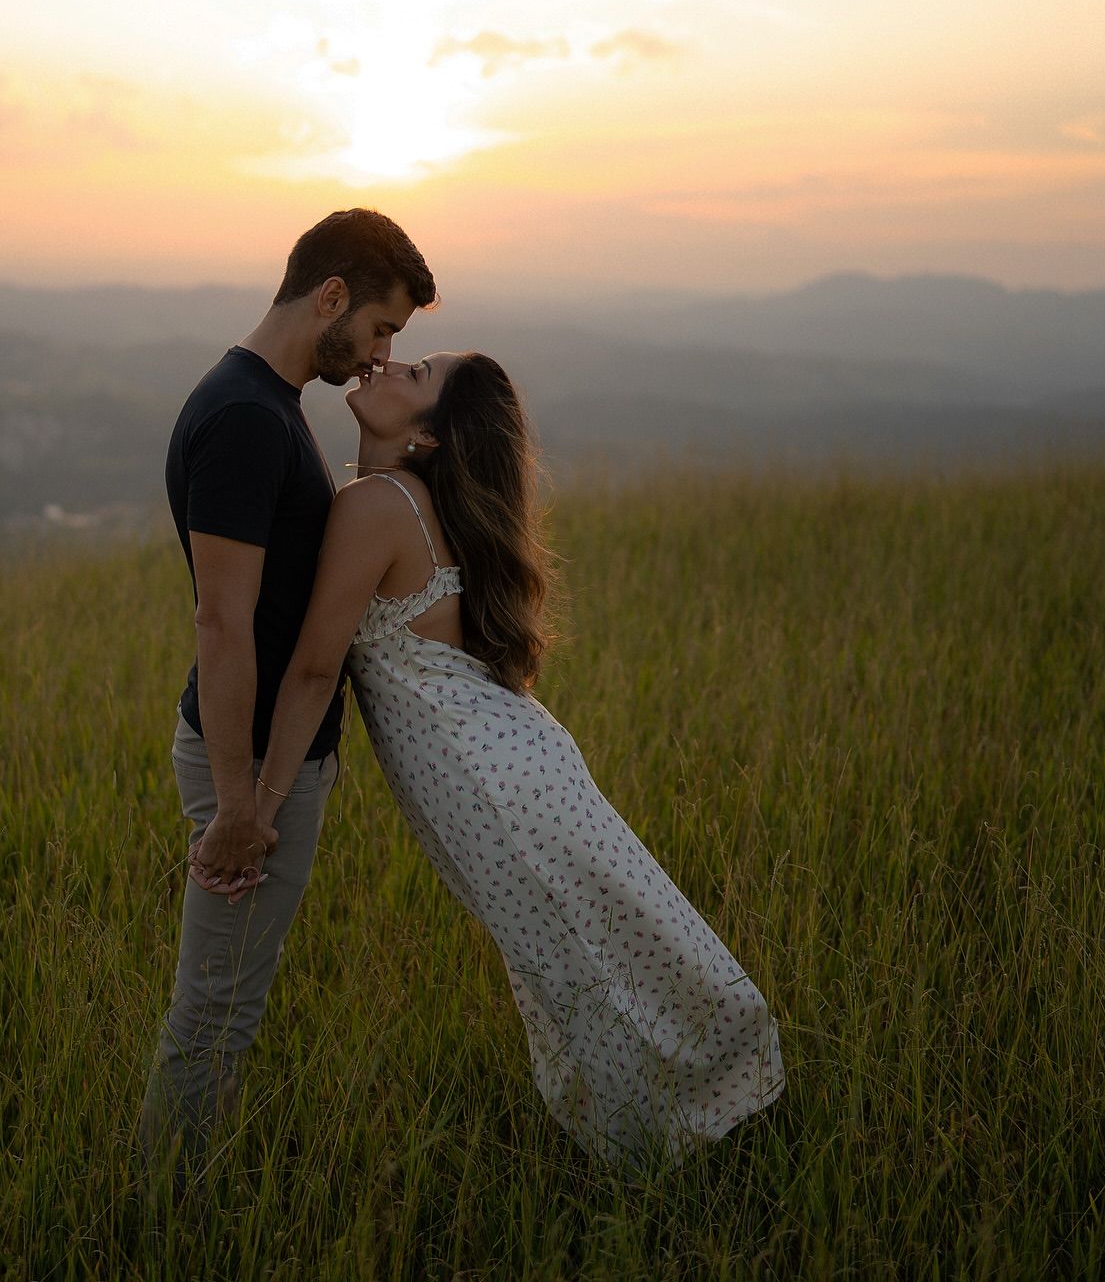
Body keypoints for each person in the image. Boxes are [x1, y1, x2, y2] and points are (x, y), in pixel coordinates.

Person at [197, 349, 785, 1169]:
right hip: (513, 762)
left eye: (418, 373)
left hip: (491, 782)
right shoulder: (402, 501)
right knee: (593, 943)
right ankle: (695, 1124)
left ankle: (670, 1150)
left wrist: (255, 810)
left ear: (429, 438)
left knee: (578, 957)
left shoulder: (377, 503)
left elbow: (314, 668)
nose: (391, 363)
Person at [138, 208, 436, 1168]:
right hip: (254, 761)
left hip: (268, 759)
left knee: (228, 1002)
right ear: (332, 297)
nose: (382, 353)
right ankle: (158, 1215)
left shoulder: (269, 403)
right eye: (382, 328)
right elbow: (221, 622)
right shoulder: (243, 419)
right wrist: (240, 801)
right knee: (217, 1009)